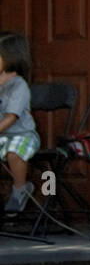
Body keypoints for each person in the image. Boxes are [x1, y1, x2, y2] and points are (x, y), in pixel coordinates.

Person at [0, 32, 39, 214]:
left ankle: (20, 190)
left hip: (22, 134)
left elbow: (11, 117)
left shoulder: (18, 85)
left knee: (14, 152)